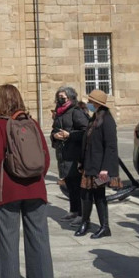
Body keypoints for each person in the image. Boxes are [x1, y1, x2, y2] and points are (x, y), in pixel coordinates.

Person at [0, 84, 54, 278]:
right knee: (39, 240)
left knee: (8, 244)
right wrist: (36, 176)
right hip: (36, 189)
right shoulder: (31, 122)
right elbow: (45, 156)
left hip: (8, 191)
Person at [75, 89, 118, 239]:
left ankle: (104, 227)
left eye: (91, 101)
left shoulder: (107, 120)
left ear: (97, 103)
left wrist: (106, 169)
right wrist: (81, 161)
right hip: (90, 165)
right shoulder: (95, 117)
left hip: (101, 168)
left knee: (99, 195)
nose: (89, 104)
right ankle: (85, 222)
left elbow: (111, 146)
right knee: (85, 194)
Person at [49, 86, 89, 225]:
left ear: (71, 98)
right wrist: (55, 135)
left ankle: (82, 214)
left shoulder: (76, 111)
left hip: (74, 154)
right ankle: (73, 211)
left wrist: (69, 135)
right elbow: (54, 129)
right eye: (59, 97)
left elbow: (86, 131)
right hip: (63, 153)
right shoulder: (59, 112)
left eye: (63, 97)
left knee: (77, 185)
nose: (61, 100)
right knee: (70, 184)